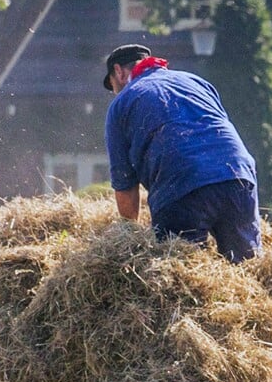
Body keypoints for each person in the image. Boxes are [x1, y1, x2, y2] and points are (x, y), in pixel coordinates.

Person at [103, 43, 261, 262]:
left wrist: (129, 237)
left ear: (118, 72)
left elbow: (125, 184)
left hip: (181, 186)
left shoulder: (121, 104)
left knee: (182, 280)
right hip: (238, 177)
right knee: (247, 267)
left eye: (112, 86)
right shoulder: (196, 82)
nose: (115, 93)